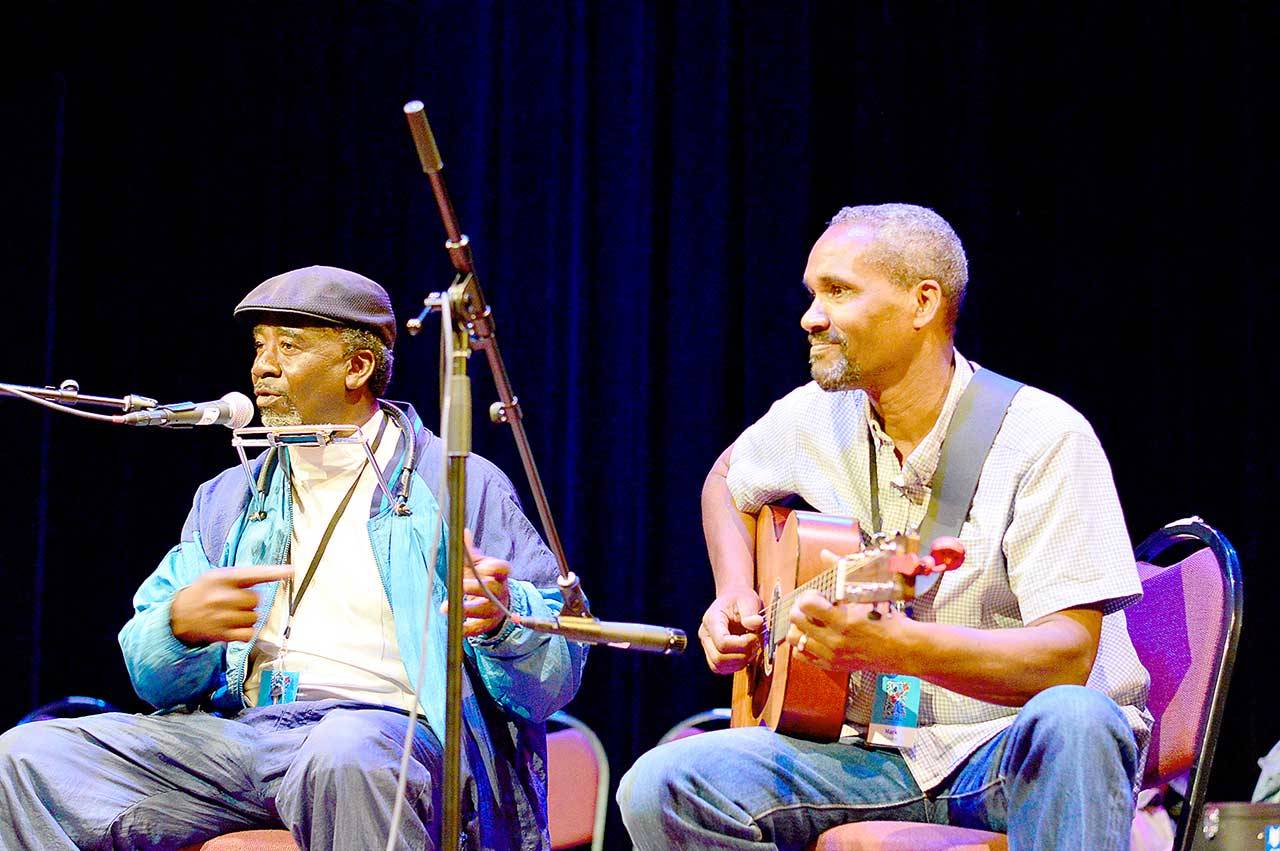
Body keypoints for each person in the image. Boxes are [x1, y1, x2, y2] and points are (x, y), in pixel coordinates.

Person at [617, 205, 1150, 850]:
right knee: (661, 786)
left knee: (1078, 716)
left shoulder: (1043, 437)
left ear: (922, 302)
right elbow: (725, 481)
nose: (811, 317)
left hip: (1007, 752)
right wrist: (734, 590)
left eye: (838, 292)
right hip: (870, 758)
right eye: (812, 293)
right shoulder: (817, 416)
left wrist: (897, 649)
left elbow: (1067, 657)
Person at [0, 266, 588, 850]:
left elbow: (554, 677)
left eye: (289, 346)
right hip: (244, 737)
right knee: (27, 757)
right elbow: (154, 682)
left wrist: (503, 622)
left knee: (344, 753)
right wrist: (177, 628)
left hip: (389, 735)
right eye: (259, 346)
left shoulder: (458, 483)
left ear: (358, 367)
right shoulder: (231, 495)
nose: (262, 366)